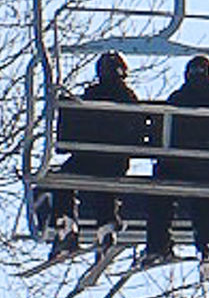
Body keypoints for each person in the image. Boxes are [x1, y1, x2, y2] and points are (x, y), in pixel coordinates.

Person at [141, 55, 209, 276]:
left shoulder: (179, 98)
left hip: (180, 167)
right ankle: (208, 248)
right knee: (207, 196)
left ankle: (158, 244)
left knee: (161, 188)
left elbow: (160, 135)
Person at [42, 52, 140, 260]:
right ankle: (106, 226)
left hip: (88, 159)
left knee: (64, 177)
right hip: (115, 161)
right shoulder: (129, 98)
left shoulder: (91, 96)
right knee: (105, 182)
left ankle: (67, 226)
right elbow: (135, 135)